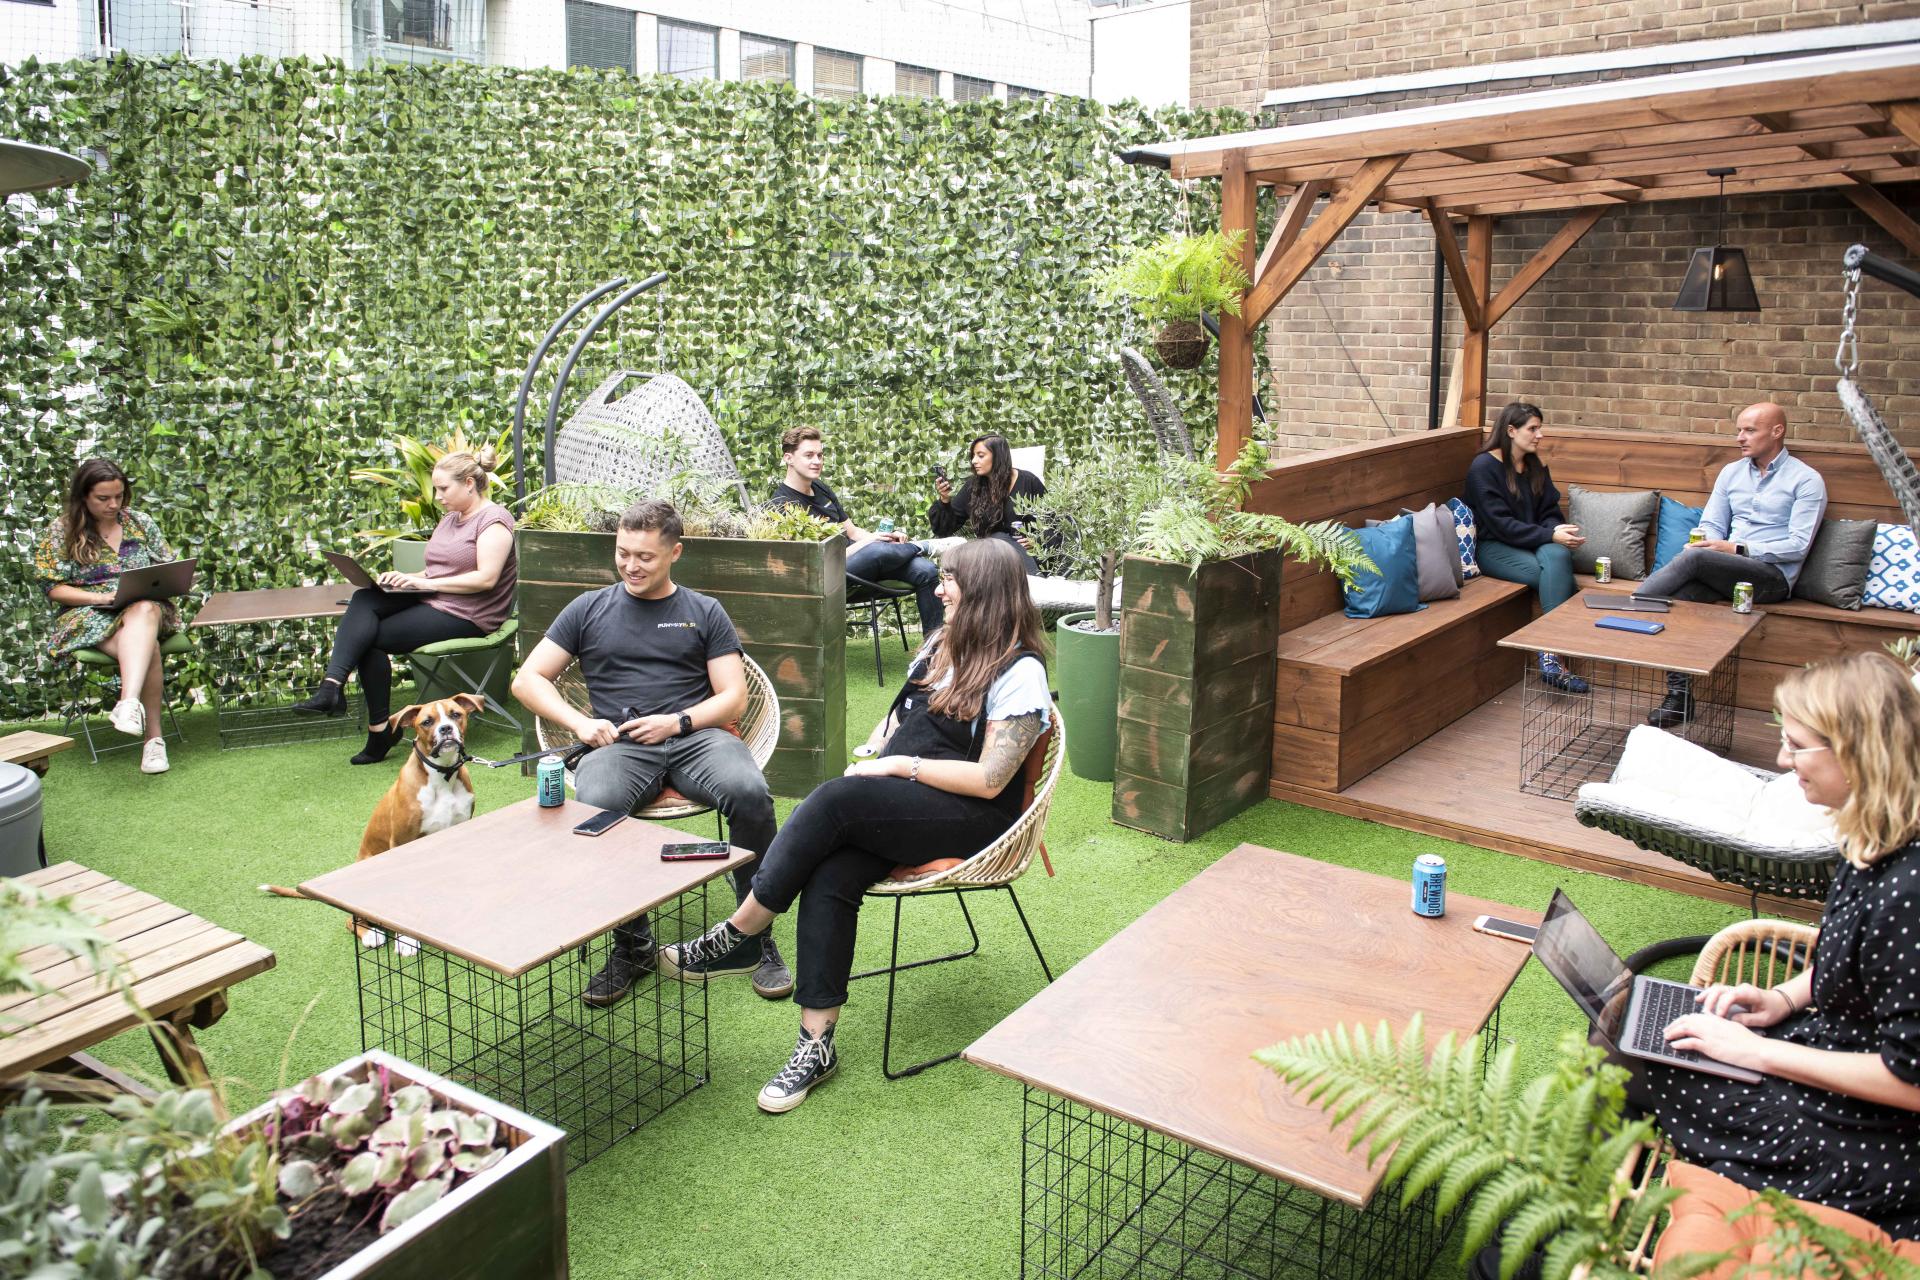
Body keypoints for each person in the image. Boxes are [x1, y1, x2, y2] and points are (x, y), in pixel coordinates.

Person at [656, 537, 1051, 1112]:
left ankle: (743, 932)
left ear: (986, 591)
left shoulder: (1021, 671)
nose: (938, 588)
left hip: (972, 819)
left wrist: (895, 764)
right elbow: (903, 713)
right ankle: (816, 1045)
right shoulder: (945, 642)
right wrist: (880, 743)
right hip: (908, 802)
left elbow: (992, 781)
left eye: (949, 580)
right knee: (831, 873)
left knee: (836, 801)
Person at [1648, 652, 1920, 1236]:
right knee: (1652, 1037)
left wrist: (1759, 1053)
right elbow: (1842, 947)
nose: (1780, 759)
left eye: (1797, 746)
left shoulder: (1910, 894)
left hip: (1877, 1132)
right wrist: (1786, 1000)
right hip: (1827, 1048)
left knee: (1645, 1062)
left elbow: (1911, 1081)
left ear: (1855, 748)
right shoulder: (1872, 833)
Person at [510, 498, 789, 1005]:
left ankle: (754, 934)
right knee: (594, 811)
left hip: (696, 737)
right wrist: (581, 722)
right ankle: (633, 944)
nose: (631, 566)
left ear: (674, 553)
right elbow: (527, 679)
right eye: (623, 554)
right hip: (618, 744)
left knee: (751, 794)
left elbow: (733, 696)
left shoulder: (703, 611)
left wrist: (677, 722)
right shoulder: (588, 609)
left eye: (645, 557)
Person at [293, 449, 519, 766]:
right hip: (436, 598)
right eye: (436, 488)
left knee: (369, 639)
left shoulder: (494, 520)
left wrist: (426, 585)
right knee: (365, 598)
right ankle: (333, 689)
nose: (437, 496)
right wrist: (406, 578)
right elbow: (439, 571)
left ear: (469, 483)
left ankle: (376, 729)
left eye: (443, 488)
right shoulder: (450, 519)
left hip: (470, 614)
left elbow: (486, 579)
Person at [1641, 402, 1826, 727]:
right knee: (1682, 598)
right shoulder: (1732, 472)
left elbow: (1797, 546)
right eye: (1739, 430)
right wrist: (1711, 543)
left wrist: (1735, 548)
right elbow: (1712, 523)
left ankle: (1626, 607)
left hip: (1772, 579)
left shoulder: (1806, 480)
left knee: (1695, 558)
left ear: (1777, 431)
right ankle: (1679, 699)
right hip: (1725, 569)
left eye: (1749, 430)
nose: (1740, 437)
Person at [35, 458, 182, 775]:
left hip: (148, 610)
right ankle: (154, 741)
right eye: (104, 498)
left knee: (144, 608)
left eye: (119, 496)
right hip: (90, 613)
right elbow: (52, 587)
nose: (113, 504)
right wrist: (100, 597)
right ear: (83, 496)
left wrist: (177, 578)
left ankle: (128, 703)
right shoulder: (62, 531)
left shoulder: (138, 522)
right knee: (149, 647)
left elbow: (168, 561)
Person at [1465, 402, 1589, 693]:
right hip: (1494, 547)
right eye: (1533, 428)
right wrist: (1549, 534)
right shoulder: (1483, 467)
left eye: (1539, 428)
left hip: (1533, 542)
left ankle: (1548, 656)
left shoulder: (1534, 465)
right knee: (1560, 576)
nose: (1539, 435)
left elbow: (1549, 510)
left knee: (1558, 555)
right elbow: (1501, 525)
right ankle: (1553, 657)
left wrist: (1554, 530)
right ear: (1511, 430)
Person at [769, 425, 944, 631]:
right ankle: (920, 546)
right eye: (809, 455)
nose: (817, 461)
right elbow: (816, 561)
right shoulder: (782, 505)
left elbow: (852, 532)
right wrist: (872, 543)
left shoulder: (820, 488)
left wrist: (883, 537)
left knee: (926, 570)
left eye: (820, 455)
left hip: (865, 560)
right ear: (789, 458)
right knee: (876, 549)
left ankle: (932, 655)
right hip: (829, 572)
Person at [928, 434, 1046, 574]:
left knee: (1000, 539)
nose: (974, 461)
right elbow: (944, 529)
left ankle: (1030, 584)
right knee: (997, 540)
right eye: (973, 456)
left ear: (998, 457)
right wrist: (945, 500)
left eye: (980, 456)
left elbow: (1054, 523)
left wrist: (1036, 542)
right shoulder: (974, 486)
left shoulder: (1028, 482)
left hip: (1025, 558)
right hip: (989, 559)